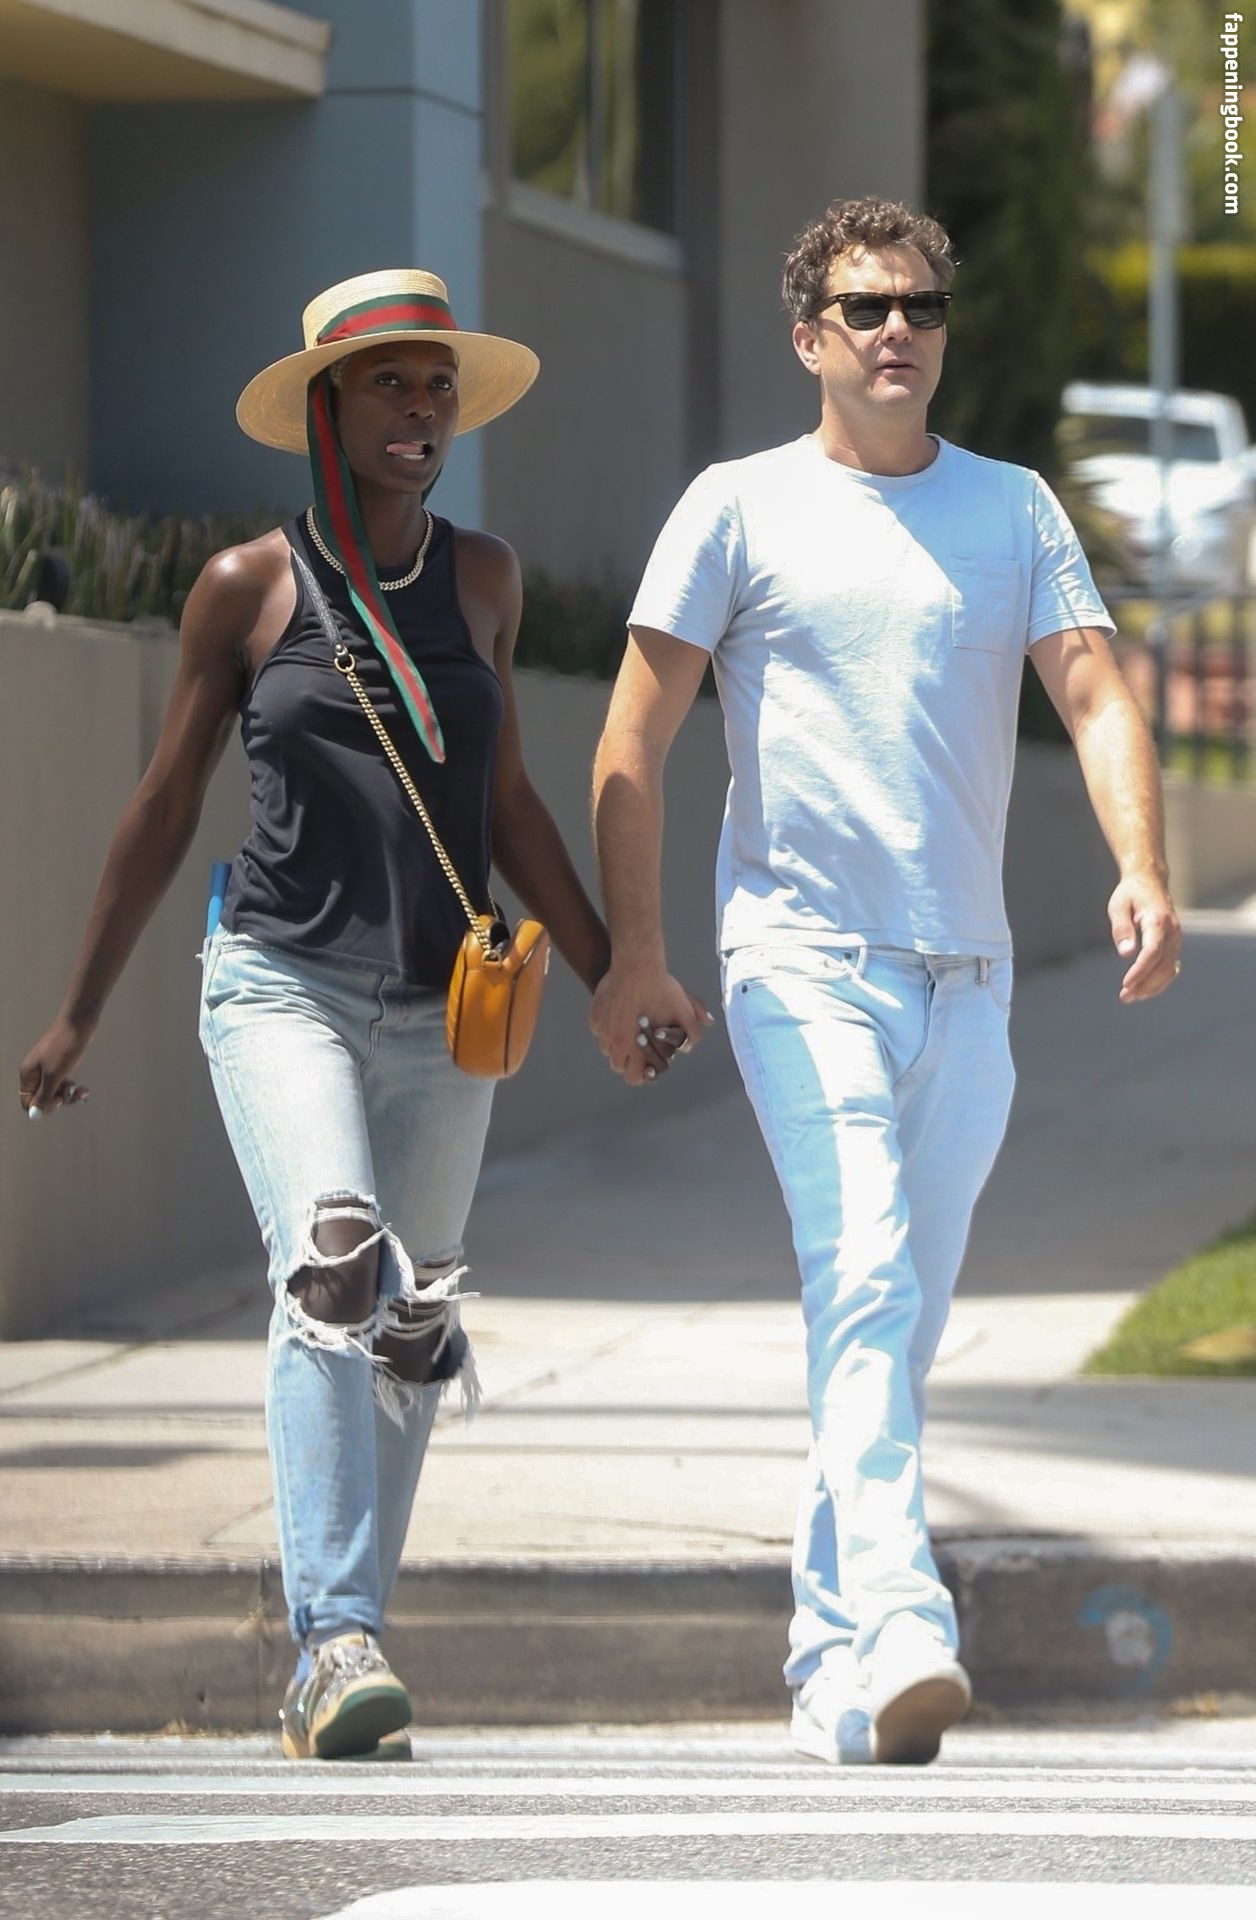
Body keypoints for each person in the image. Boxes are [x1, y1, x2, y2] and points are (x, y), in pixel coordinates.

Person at [590, 199, 1182, 1766]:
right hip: (800, 960)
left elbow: (1096, 697)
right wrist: (636, 950)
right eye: (866, 308)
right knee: (861, 1276)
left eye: (921, 305)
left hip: (969, 983)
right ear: (810, 337)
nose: (899, 329)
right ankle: (910, 1618)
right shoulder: (736, 508)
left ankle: (827, 1661)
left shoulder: (1013, 509)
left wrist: (1142, 863)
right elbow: (633, 738)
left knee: (893, 1327)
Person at [18, 268, 625, 1760]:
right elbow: (166, 804)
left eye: (438, 386)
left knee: (416, 1326)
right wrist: (79, 1009)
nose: (422, 410)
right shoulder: (249, 586)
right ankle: (331, 1643)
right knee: (338, 1263)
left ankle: (356, 1636)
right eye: (389, 384)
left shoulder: (485, 580)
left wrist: (615, 970)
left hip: (446, 1011)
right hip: (281, 981)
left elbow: (508, 798)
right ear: (324, 409)